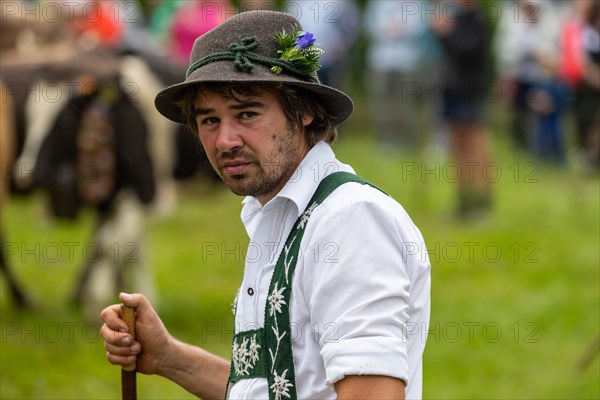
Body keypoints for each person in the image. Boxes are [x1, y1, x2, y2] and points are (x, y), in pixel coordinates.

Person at [100, 10, 431, 399]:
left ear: (305, 110)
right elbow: (276, 386)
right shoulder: (278, 216)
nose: (225, 140)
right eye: (209, 120)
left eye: (247, 113)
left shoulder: (349, 220)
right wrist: (169, 357)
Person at [431, 0, 493, 218]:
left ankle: (483, 200)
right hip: (452, 89)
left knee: (475, 146)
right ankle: (464, 200)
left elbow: (466, 51)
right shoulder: (458, 18)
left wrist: (445, 32)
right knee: (456, 147)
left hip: (470, 92)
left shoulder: (477, 19)